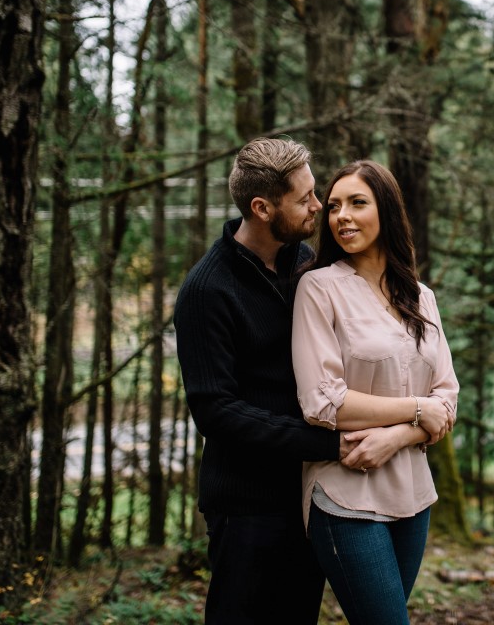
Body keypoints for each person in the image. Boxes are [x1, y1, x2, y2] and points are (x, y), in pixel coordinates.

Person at [174, 138, 441, 624]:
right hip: (249, 501)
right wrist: (326, 443)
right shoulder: (208, 289)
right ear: (262, 207)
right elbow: (216, 409)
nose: (320, 208)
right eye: (307, 199)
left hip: (307, 491)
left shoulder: (303, 265)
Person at [292, 159, 459, 625]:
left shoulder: (421, 296)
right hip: (347, 491)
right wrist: (416, 411)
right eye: (333, 206)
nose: (342, 215)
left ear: (385, 209)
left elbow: (448, 399)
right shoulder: (319, 288)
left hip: (413, 493)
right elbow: (323, 402)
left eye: (357, 203)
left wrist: (399, 436)